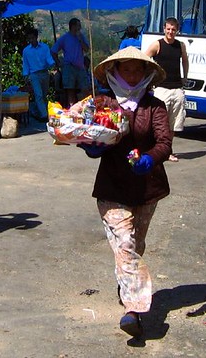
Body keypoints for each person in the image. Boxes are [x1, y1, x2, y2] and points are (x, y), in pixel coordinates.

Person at [78, 46, 172, 338]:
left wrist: (150, 159)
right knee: (126, 244)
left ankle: (126, 284)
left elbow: (164, 143)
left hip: (147, 188)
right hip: (112, 188)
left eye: (137, 70)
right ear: (114, 72)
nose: (131, 75)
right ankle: (133, 309)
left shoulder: (154, 106)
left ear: (146, 74)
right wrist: (90, 144)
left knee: (135, 246)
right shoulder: (102, 103)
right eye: (125, 69)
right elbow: (89, 132)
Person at [145, 17, 189, 162]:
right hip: (161, 88)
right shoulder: (157, 45)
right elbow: (144, 58)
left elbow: (185, 60)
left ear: (177, 30)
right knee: (159, 122)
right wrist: (150, 77)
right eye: (168, 29)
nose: (170, 32)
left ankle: (168, 150)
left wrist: (185, 77)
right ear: (164, 29)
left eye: (173, 29)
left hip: (177, 88)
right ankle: (155, 149)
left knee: (173, 123)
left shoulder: (180, 45)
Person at [51, 17, 90, 106]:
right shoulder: (65, 38)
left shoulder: (81, 37)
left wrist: (81, 40)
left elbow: (87, 49)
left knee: (85, 88)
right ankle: (72, 108)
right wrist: (58, 62)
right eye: (78, 26)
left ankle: (86, 107)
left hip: (80, 66)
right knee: (70, 89)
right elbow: (53, 51)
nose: (80, 28)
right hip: (69, 67)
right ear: (73, 26)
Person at [22, 28, 54, 122]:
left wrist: (52, 65)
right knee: (38, 95)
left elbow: (49, 58)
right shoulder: (26, 51)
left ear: (36, 37)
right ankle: (44, 115)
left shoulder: (44, 47)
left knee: (43, 94)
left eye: (32, 38)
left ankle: (37, 111)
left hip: (44, 72)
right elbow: (25, 64)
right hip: (34, 75)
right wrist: (26, 75)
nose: (31, 40)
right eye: (29, 38)